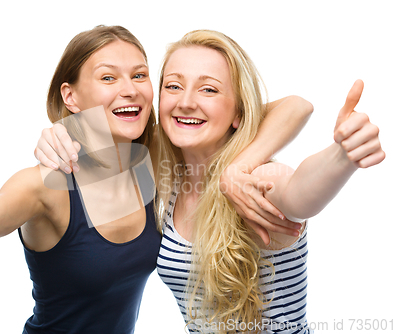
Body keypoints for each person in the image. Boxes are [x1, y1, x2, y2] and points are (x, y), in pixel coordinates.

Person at [0, 25, 162, 334]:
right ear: (70, 96)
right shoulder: (44, 186)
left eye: (139, 75)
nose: (131, 89)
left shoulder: (155, 168)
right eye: (108, 77)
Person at [154, 30, 384, 333]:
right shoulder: (167, 175)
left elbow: (296, 193)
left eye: (208, 90)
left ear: (239, 111)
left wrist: (341, 157)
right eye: (173, 86)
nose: (185, 101)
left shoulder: (255, 181)